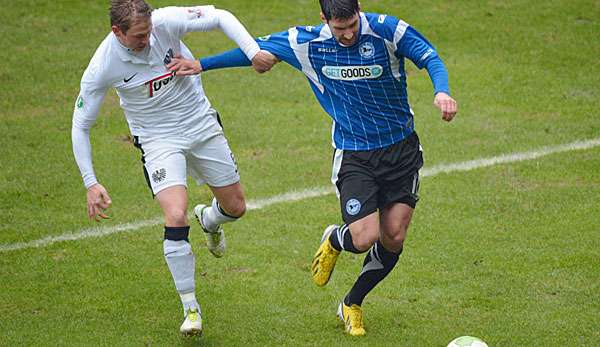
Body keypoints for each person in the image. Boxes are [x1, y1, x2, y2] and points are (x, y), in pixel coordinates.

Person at [168, 0, 458, 337]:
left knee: (393, 236)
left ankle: (352, 303)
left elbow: (430, 57)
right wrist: (202, 64)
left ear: (360, 10)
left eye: (352, 24)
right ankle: (336, 239)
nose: (348, 34)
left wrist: (442, 92)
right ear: (324, 19)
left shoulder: (387, 30)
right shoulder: (305, 43)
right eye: (339, 28)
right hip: (355, 155)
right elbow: (255, 50)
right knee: (364, 237)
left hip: (402, 151)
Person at [71, 0, 274, 336]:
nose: (147, 40)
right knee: (175, 215)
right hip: (157, 139)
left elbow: (220, 16)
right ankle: (191, 308)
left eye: (149, 31)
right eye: (138, 36)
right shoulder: (103, 65)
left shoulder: (164, 22)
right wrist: (90, 182)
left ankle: (210, 220)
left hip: (201, 124)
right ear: (116, 32)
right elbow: (81, 125)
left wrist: (252, 51)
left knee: (236, 207)